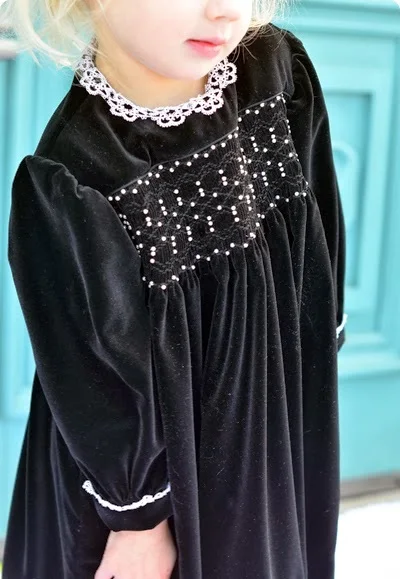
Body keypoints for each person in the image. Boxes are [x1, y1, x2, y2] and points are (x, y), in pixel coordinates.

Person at [1, 0, 347, 577]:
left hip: (272, 420)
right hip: (153, 472)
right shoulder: (76, 173)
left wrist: (310, 361)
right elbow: (95, 377)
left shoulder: (275, 68)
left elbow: (316, 224)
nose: (227, 11)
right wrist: (139, 523)